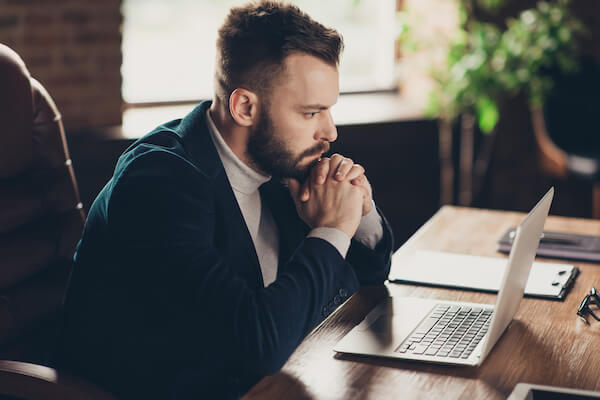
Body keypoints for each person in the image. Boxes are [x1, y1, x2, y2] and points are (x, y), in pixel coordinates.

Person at [57, 1, 393, 399]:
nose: (330, 131)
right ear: (245, 106)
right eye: (311, 113)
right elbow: (254, 346)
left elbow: (369, 274)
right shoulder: (156, 185)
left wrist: (360, 211)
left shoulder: (276, 162)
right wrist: (332, 229)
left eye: (329, 110)